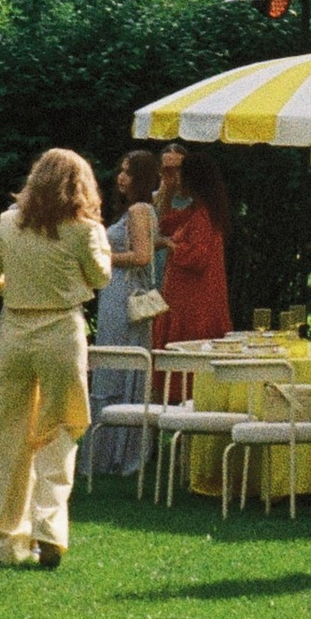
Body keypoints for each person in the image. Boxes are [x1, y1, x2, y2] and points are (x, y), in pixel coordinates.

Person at [0, 149, 113, 568]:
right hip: (60, 333)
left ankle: (8, 541)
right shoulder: (83, 229)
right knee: (61, 429)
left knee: (12, 438)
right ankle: (49, 530)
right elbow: (101, 276)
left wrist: (13, 280)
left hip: (15, 331)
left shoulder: (8, 223)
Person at [88, 146, 163, 477]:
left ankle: (114, 451)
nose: (121, 176)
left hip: (123, 294)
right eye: (121, 169)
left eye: (129, 171)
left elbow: (142, 256)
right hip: (119, 290)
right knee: (120, 362)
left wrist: (102, 257)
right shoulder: (141, 209)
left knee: (115, 361)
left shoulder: (138, 211)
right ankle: (117, 448)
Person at [157, 143, 232, 344]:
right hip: (182, 301)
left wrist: (170, 245)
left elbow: (198, 256)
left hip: (194, 304)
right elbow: (164, 225)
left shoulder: (202, 215)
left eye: (180, 173)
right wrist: (168, 191)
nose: (176, 177)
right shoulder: (194, 210)